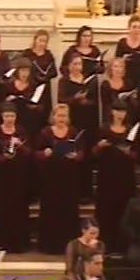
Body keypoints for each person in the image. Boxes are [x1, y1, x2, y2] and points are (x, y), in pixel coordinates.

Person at [35, 104, 83, 254]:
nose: (61, 118)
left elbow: (81, 152)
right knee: (52, 209)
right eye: (59, 115)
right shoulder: (45, 132)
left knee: (68, 209)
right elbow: (36, 153)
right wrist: (45, 153)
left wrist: (76, 156)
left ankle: (68, 245)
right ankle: (50, 245)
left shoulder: (73, 131)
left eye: (64, 115)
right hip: (51, 177)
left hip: (69, 177)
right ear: (53, 116)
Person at [94, 100, 138, 253]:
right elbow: (94, 153)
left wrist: (129, 153)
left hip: (125, 175)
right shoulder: (104, 129)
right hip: (107, 175)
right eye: (117, 111)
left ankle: (122, 246)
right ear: (112, 112)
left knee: (124, 210)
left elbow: (137, 154)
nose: (120, 114)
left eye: (123, 111)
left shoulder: (130, 130)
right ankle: (106, 245)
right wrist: (100, 146)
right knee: (107, 210)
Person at [0, 102, 31, 252]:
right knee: (2, 207)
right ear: (2, 116)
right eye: (7, 116)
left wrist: (21, 146)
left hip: (18, 174)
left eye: (12, 116)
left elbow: (29, 153)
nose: (9, 119)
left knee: (17, 207)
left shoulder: (21, 131)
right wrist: (3, 158)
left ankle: (18, 243)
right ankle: (1, 242)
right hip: (2, 175)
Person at [58, 53, 99, 202]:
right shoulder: (64, 81)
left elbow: (95, 100)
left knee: (86, 155)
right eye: (74, 64)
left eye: (79, 64)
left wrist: (87, 101)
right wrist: (75, 99)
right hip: (72, 120)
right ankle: (73, 192)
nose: (77, 67)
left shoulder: (89, 80)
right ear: (69, 66)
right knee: (73, 154)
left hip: (88, 120)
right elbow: (61, 100)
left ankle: (86, 193)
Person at [114, 15, 140, 163]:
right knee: (128, 114)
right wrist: (123, 60)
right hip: (127, 81)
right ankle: (126, 152)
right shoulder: (122, 43)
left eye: (139, 27)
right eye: (134, 27)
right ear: (129, 28)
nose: (136, 30)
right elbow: (116, 63)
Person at [22, 29, 58, 130]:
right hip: (30, 87)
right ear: (35, 40)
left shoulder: (48, 55)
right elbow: (21, 69)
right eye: (40, 40)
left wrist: (45, 76)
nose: (42, 43)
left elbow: (54, 72)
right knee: (30, 116)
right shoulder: (27, 54)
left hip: (44, 90)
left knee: (43, 116)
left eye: (45, 41)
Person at [2, 57, 41, 138]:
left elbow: (41, 105)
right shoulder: (9, 85)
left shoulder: (34, 86)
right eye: (22, 70)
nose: (25, 73)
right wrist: (8, 100)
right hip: (13, 120)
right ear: (17, 71)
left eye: (27, 71)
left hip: (29, 120)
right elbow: (1, 103)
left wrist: (34, 106)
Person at [100, 57, 137, 124]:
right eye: (115, 66)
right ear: (110, 68)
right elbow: (105, 105)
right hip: (111, 117)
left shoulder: (128, 83)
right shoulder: (105, 84)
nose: (118, 69)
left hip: (127, 115)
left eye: (120, 66)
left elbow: (132, 102)